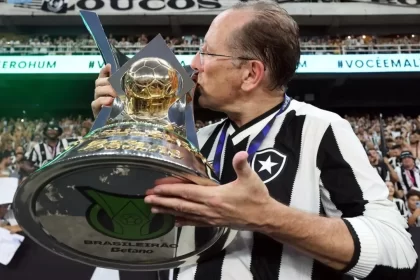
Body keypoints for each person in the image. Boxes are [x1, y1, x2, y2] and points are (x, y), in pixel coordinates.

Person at [92, 1, 418, 279]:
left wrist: (267, 217)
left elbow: (401, 256)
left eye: (205, 52)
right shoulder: (193, 140)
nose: (193, 64)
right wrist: (120, 123)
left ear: (250, 73)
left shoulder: (320, 129)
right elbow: (127, 219)